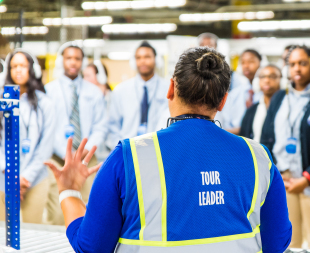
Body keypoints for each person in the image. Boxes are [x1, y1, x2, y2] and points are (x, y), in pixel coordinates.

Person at [46, 47, 292, 253]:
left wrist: (69, 191)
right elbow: (277, 243)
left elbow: (91, 247)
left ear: (171, 89)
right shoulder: (258, 158)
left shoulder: (128, 157)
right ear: (223, 101)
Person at [261, 45, 310, 249]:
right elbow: (266, 138)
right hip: (283, 181)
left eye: (303, 63)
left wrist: (307, 178)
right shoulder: (280, 97)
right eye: (292, 64)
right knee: (288, 243)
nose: (297, 68)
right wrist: (275, 173)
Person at [45, 42, 108, 225]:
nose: (73, 62)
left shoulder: (94, 92)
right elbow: (48, 127)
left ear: (83, 61)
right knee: (57, 213)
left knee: (89, 209)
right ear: (61, 61)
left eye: (77, 59)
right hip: (58, 159)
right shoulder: (49, 91)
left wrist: (82, 152)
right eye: (69, 58)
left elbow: (100, 126)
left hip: (87, 159)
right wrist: (67, 154)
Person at [0, 49, 55, 223]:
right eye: (14, 66)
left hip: (35, 178)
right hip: (3, 176)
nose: (18, 70)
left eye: (23, 66)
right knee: (3, 235)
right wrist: (9, 172)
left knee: (33, 232)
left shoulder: (45, 103)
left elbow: (46, 145)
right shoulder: (3, 101)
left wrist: (25, 178)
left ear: (33, 70)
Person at [108, 41, 169, 146]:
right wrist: (119, 148)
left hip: (159, 148)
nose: (143, 61)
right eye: (138, 58)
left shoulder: (167, 88)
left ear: (156, 60)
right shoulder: (121, 90)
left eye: (147, 57)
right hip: (127, 149)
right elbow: (113, 124)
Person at [222, 49, 263, 134]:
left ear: (260, 63)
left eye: (251, 62)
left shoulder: (266, 92)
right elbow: (226, 121)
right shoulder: (235, 93)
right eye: (243, 62)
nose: (246, 66)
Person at [239, 64, 282, 142]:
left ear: (282, 80)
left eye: (272, 76)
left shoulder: (285, 108)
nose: (266, 80)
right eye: (262, 77)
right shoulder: (251, 110)